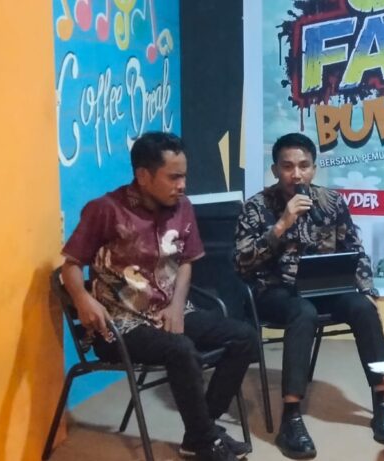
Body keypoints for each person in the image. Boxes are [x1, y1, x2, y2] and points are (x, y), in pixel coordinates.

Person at [61, 132, 257, 461]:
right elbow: (70, 265)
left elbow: (186, 262)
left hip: (166, 310)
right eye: (174, 177)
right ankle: (205, 439)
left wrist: (177, 307)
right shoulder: (105, 210)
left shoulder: (183, 208)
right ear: (143, 175)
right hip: (119, 324)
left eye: (184, 176)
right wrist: (82, 299)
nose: (182, 185)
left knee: (245, 337)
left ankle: (201, 432)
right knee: (182, 350)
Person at [233, 133, 384, 459]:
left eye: (304, 166)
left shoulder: (331, 201)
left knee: (363, 308)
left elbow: (355, 251)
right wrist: (282, 224)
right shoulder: (257, 206)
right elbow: (242, 263)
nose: (296, 174)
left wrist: (367, 289)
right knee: (302, 312)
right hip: (274, 292)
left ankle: (383, 401)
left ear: (314, 169)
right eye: (288, 166)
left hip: (323, 288)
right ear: (275, 170)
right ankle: (291, 418)